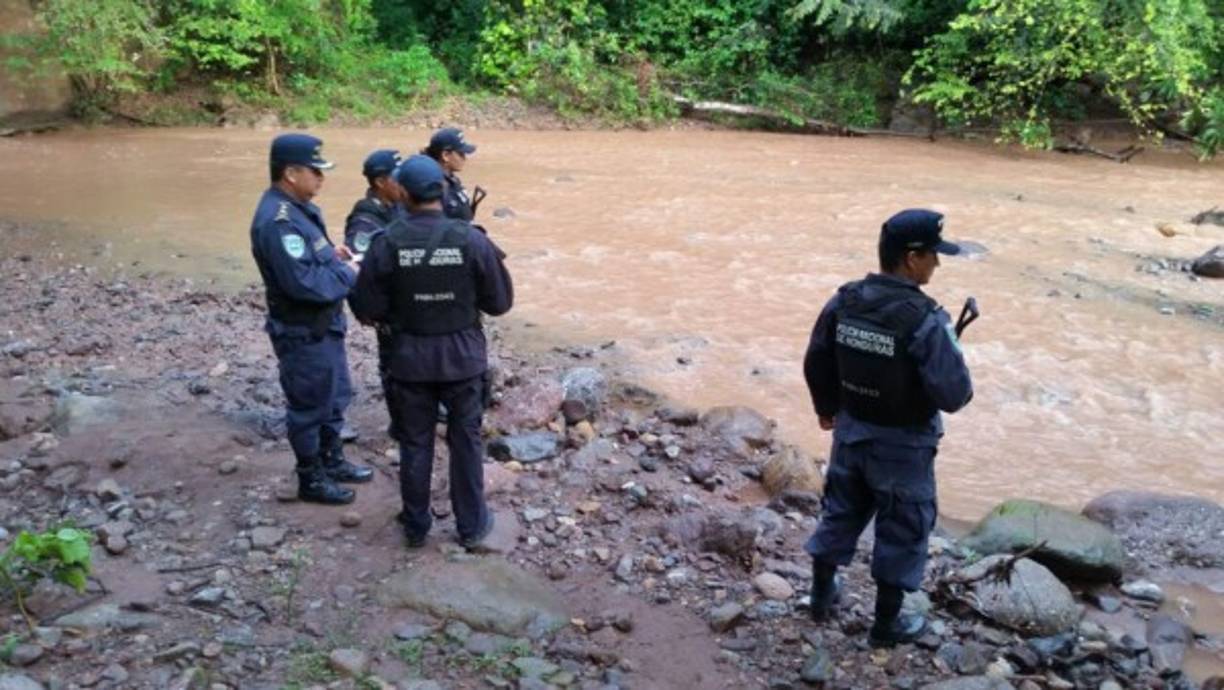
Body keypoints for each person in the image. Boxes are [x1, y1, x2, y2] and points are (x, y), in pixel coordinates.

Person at [801, 209, 973, 647]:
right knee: (903, 529)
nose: (937, 263)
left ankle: (820, 599)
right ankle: (885, 627)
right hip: (904, 447)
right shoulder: (926, 319)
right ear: (912, 258)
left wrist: (826, 408)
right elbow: (955, 395)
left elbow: (817, 357)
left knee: (840, 512)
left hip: (851, 432)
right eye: (934, 255)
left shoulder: (845, 299)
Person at [349, 155, 513, 549]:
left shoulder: (386, 244)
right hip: (462, 359)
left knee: (415, 442)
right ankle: (472, 526)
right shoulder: (472, 240)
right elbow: (500, 302)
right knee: (466, 441)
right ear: (442, 190)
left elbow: (365, 307)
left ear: (402, 192)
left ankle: (416, 525)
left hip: (409, 360)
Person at [249, 133, 374, 506]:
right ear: (290, 173)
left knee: (334, 398)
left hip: (324, 326)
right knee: (309, 407)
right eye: (315, 171)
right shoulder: (278, 220)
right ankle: (310, 477)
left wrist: (334, 255)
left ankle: (331, 459)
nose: (322, 178)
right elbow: (305, 285)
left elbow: (313, 255)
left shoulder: (301, 209)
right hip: (303, 331)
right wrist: (349, 272)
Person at [345, 149, 406, 440]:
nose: (403, 183)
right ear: (381, 181)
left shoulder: (395, 205)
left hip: (403, 301)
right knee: (393, 364)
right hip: (388, 307)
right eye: (397, 178)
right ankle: (399, 423)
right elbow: (359, 268)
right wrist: (369, 311)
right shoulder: (366, 217)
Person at [422, 127, 478, 221]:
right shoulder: (435, 186)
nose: (464, 158)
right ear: (446, 155)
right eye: (461, 154)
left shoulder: (452, 180)